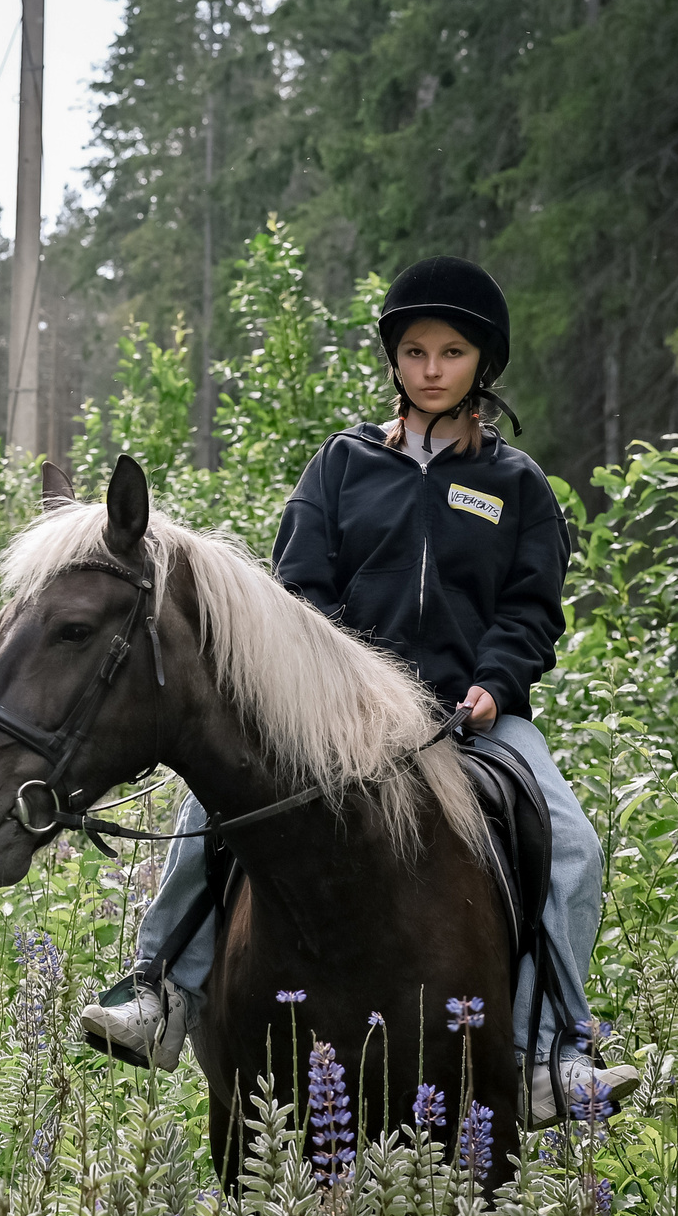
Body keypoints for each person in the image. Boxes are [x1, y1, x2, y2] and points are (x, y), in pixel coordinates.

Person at [77, 255, 641, 1121]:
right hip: (337, 718)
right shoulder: (340, 467)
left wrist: (496, 682)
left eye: (451, 352)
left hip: (473, 722)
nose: (430, 368)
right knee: (213, 804)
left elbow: (531, 610)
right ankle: (161, 990)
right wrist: (339, 688)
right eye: (415, 351)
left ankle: (551, 1048)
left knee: (572, 845)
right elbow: (299, 590)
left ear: (481, 366)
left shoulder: (517, 485)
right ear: (395, 361)